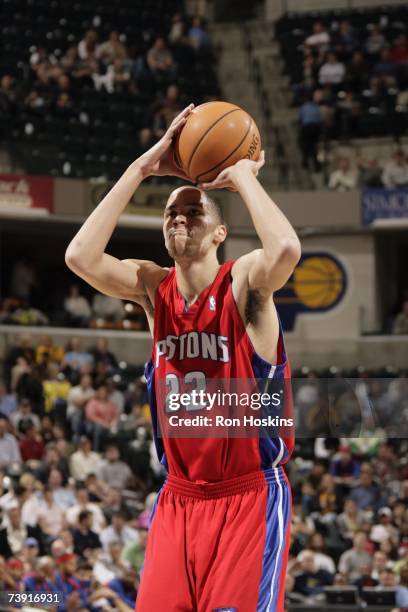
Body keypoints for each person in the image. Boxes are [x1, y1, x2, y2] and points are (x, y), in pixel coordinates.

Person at [65, 105, 300, 610]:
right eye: (172, 211)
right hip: (178, 498)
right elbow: (80, 257)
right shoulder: (154, 290)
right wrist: (141, 169)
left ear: (219, 234)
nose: (180, 216)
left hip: (248, 495)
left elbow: (284, 249)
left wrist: (241, 178)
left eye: (195, 211)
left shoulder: (243, 283)